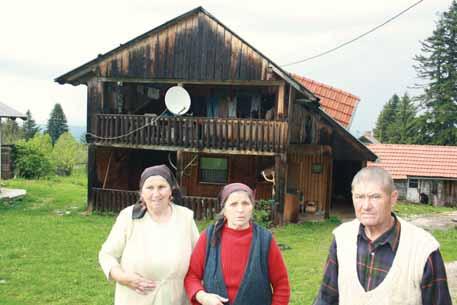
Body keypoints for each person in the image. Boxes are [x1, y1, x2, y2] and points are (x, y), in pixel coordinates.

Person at [313, 167, 452, 305]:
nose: (366, 206)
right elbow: (326, 298)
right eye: (359, 197)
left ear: (393, 199)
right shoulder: (342, 238)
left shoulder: (423, 249)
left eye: (375, 197)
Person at [99, 164, 200, 305]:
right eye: (150, 188)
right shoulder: (128, 217)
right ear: (142, 192)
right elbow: (107, 254)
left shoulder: (185, 217)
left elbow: (199, 259)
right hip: (135, 297)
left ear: (171, 190)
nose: (156, 194)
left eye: (161, 187)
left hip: (175, 297)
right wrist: (123, 277)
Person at [184, 183, 290, 305]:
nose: (240, 209)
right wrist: (203, 297)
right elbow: (192, 276)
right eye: (233, 204)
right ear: (224, 209)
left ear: (252, 207)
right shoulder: (208, 237)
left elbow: (281, 284)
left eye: (245, 203)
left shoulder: (265, 240)